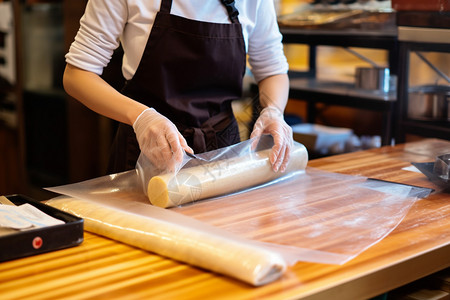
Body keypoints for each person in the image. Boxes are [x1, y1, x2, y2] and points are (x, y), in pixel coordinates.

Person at [63, 0, 293, 174]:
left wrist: (273, 110)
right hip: (148, 152)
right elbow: (78, 75)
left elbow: (272, 70)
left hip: (224, 155)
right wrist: (142, 117)